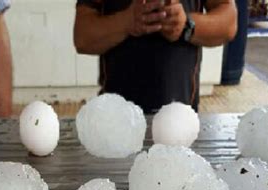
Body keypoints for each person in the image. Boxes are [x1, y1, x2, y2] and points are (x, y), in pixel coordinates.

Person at [74, 0, 237, 113]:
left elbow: (229, 22)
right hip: (117, 117)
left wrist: (186, 25)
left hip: (179, 117)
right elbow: (83, 37)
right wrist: (127, 22)